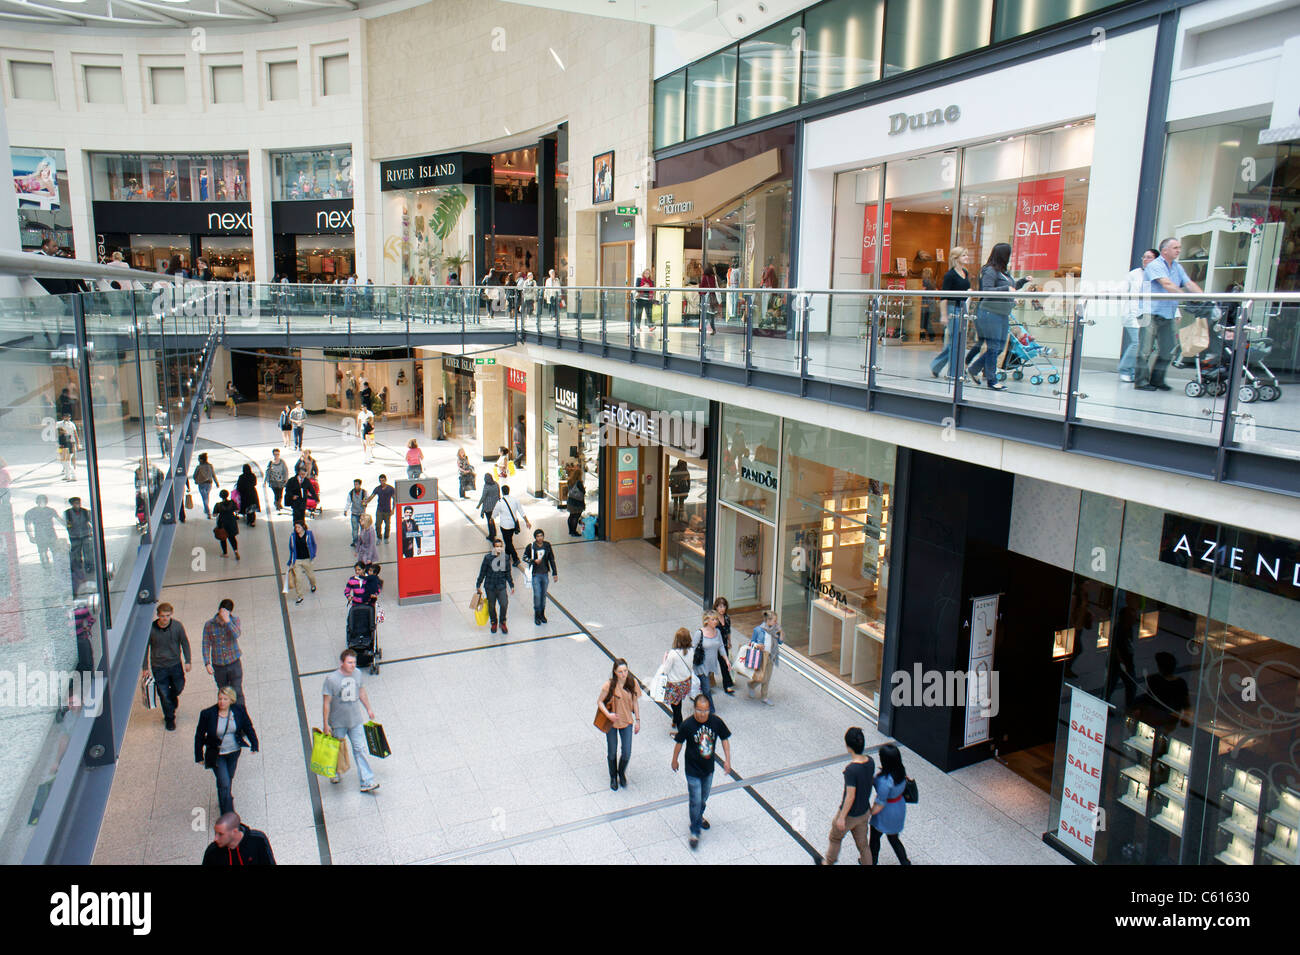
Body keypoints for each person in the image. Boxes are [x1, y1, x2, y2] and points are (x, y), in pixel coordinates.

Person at [1135, 237, 1202, 392]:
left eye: (1179, 247)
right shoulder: (1155, 265)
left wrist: (1204, 297)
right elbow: (1166, 284)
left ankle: (1157, 380)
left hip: (1167, 313)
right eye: (1175, 248)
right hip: (1149, 312)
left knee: (1168, 349)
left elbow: (1189, 283)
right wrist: (1187, 296)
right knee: (1145, 349)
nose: (1178, 250)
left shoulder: (1177, 267)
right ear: (1164, 250)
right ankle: (1141, 382)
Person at [671, 694, 732, 850]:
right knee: (695, 800)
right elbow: (679, 742)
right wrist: (674, 759)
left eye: (705, 711)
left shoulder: (716, 722)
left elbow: (725, 739)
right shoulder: (687, 725)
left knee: (703, 798)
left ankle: (698, 816)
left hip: (708, 769)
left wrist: (727, 760)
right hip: (692, 770)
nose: (702, 714)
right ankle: (695, 831)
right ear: (694, 709)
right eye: (699, 710)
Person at [971, 242, 1034, 391]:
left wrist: (1023, 281)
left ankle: (974, 368)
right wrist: (1007, 288)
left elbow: (1011, 287)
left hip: (1002, 313)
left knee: (999, 348)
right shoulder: (990, 271)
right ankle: (992, 380)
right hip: (989, 312)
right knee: (994, 347)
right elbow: (986, 290)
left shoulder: (1003, 272)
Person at [322, 648, 380, 793]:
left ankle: (367, 781)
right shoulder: (331, 679)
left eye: (354, 662)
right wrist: (325, 724)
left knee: (360, 749)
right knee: (337, 750)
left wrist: (368, 708)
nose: (353, 665)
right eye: (349, 662)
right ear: (342, 662)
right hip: (338, 723)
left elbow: (361, 691)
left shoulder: (358, 674)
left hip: (355, 721)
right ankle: (334, 771)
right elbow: (326, 703)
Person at [194, 686, 259, 816]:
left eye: (225, 699)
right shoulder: (207, 714)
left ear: (231, 700)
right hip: (217, 754)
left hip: (234, 752)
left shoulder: (239, 710)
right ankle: (228, 815)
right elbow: (199, 735)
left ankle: (224, 800)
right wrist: (199, 755)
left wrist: (254, 743)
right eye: (220, 699)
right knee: (224, 782)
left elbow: (248, 726)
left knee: (228, 779)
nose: (222, 702)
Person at [823, 727, 877, 865]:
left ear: (848, 747)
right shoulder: (870, 762)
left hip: (850, 815)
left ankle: (828, 862)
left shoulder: (851, 770)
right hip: (864, 812)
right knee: (863, 846)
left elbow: (850, 796)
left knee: (835, 838)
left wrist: (842, 817)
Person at [141, 602, 191, 731]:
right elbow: (144, 648)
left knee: (178, 687)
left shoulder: (177, 626)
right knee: (164, 694)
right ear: (158, 615)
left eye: (168, 616)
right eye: (162, 616)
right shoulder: (150, 629)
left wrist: (188, 660)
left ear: (171, 615)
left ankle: (172, 698)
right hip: (158, 666)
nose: (165, 619)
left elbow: (184, 642)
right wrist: (145, 667)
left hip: (175, 664)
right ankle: (169, 718)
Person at [597, 658, 641, 791]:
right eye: (620, 671)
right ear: (615, 672)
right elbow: (599, 702)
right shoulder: (608, 685)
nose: (624, 674)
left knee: (627, 752)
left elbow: (635, 702)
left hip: (626, 721)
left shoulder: (632, 683)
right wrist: (608, 714)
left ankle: (621, 772)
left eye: (625, 671)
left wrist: (638, 720)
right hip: (612, 722)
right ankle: (613, 777)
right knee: (612, 752)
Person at [931, 247, 974, 378]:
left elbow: (966, 289)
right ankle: (954, 373)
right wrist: (944, 315)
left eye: (966, 255)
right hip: (952, 309)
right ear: (956, 258)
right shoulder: (950, 275)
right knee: (956, 341)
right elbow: (944, 297)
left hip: (962, 308)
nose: (967, 257)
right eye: (964, 255)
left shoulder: (965, 272)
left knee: (957, 341)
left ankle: (936, 365)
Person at [1119, 249, 1160, 382]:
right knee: (1137, 342)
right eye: (1144, 257)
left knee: (1146, 345)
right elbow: (1121, 289)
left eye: (1149, 257)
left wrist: (1176, 312)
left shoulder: (1160, 276)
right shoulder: (1134, 274)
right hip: (1133, 314)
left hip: (1150, 316)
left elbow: (1166, 295)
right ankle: (1125, 370)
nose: (1145, 260)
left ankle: (1134, 372)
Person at [869, 743, 911, 865]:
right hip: (899, 806)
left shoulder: (885, 781)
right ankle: (905, 862)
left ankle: (872, 861)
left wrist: (868, 813)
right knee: (893, 838)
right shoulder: (901, 771)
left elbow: (880, 804)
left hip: (886, 812)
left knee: (875, 838)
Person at [202, 598, 244, 702]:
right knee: (224, 693)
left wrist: (228, 621)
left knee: (237, 691)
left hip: (234, 663)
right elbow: (206, 644)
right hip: (219, 665)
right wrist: (207, 663)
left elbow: (237, 634)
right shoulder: (209, 625)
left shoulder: (234, 620)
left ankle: (240, 714)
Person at [474, 538, 515, 634]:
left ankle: (502, 622)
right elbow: (482, 571)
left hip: (501, 586)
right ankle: (494, 622)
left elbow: (508, 572)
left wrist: (511, 584)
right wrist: (478, 584)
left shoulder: (506, 558)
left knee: (504, 604)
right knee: (491, 606)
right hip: (490, 586)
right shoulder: (488, 558)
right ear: (493, 547)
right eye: (497, 547)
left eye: (500, 546)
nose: (499, 548)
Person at [203, 812, 275, 865]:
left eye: (220, 834)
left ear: (234, 832)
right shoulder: (212, 851)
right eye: (215, 833)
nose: (215, 839)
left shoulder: (258, 840)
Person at [661, 629, 696, 734]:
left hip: (674, 684)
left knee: (676, 706)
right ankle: (675, 720)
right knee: (679, 702)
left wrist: (664, 660)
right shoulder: (691, 651)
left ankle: (680, 725)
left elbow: (665, 670)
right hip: (685, 682)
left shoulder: (673, 654)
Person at [691, 611, 726, 710]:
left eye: (716, 619)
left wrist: (727, 661)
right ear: (707, 621)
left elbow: (721, 646)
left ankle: (698, 701)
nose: (716, 621)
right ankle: (711, 710)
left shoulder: (717, 632)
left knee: (705, 686)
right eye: (713, 619)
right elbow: (692, 648)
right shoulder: (699, 633)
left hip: (711, 665)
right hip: (701, 665)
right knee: (706, 689)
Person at [521, 528, 557, 625]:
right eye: (538, 536)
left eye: (541, 536)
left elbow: (551, 559)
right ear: (535, 537)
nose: (540, 538)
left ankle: (542, 614)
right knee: (537, 595)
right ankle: (537, 615)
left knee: (543, 595)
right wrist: (533, 561)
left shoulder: (547, 545)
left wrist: (555, 573)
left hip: (545, 573)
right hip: (535, 574)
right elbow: (524, 557)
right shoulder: (531, 547)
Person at [492, 483, 530, 567]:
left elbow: (495, 512)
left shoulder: (500, 502)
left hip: (504, 526)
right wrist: (527, 521)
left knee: (508, 542)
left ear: (502, 492)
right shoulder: (515, 500)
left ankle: (516, 558)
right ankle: (507, 555)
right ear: (509, 491)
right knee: (509, 540)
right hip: (513, 525)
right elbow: (521, 511)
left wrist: (492, 519)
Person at [748, 610, 782, 705]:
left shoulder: (775, 630)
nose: (776, 623)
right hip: (761, 656)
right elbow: (751, 642)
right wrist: (757, 645)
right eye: (774, 621)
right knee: (763, 677)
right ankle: (751, 685)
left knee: (768, 678)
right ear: (768, 620)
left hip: (771, 656)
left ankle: (764, 696)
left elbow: (780, 642)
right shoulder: (758, 630)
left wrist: (781, 633)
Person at [63, 497, 94, 596]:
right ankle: (79, 567)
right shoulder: (67, 513)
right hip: (74, 535)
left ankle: (89, 565)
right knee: (76, 553)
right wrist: (69, 528)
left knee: (88, 551)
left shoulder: (85, 512)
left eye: (78, 503)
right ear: (72, 504)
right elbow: (66, 523)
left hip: (85, 534)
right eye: (75, 503)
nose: (77, 505)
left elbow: (91, 520)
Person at [285, 520, 319, 605]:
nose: (297, 529)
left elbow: (314, 544)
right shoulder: (293, 536)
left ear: (303, 527)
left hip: (307, 559)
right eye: (296, 527)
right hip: (297, 560)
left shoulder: (309, 534)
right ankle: (300, 595)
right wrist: (290, 560)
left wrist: (313, 554)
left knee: (310, 575)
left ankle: (313, 584)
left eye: (299, 527)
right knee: (298, 579)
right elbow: (291, 549)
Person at [24, 494, 59, 568]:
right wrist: (30, 536)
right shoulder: (31, 512)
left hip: (51, 535)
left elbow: (60, 520)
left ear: (46, 502)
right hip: (40, 536)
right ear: (37, 502)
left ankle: (57, 569)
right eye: (40, 501)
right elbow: (28, 525)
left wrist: (69, 526)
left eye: (43, 501)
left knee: (56, 553)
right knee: (43, 554)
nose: (42, 503)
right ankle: (47, 571)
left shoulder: (51, 510)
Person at [712, 596, 737, 696]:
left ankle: (727, 685)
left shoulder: (726, 618)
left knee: (725, 664)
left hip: (723, 645)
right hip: (714, 645)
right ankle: (707, 683)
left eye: (724, 606)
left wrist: (729, 641)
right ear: (716, 607)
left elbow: (728, 631)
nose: (722, 608)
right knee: (710, 665)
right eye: (720, 606)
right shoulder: (713, 619)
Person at [212, 489, 241, 560]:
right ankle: (236, 551)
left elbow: (214, 515)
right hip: (231, 521)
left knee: (223, 538)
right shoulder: (232, 502)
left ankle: (225, 553)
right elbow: (237, 510)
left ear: (220, 496)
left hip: (222, 522)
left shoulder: (218, 505)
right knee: (232, 537)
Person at [367, 474, 395, 542]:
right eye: (380, 481)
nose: (382, 482)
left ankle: (386, 538)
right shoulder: (377, 488)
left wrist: (393, 509)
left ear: (386, 480)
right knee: (378, 525)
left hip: (387, 510)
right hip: (379, 510)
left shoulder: (391, 489)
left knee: (387, 525)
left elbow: (394, 499)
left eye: (383, 480)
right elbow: (371, 497)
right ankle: (379, 537)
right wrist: (365, 501)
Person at [192, 452, 219, 519]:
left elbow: (194, 476)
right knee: (206, 496)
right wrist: (216, 482)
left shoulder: (199, 467)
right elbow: (213, 475)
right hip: (209, 484)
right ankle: (206, 508)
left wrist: (196, 479)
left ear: (201, 460)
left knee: (204, 498)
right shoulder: (210, 466)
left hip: (201, 484)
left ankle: (208, 512)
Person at [477, 472, 500, 542]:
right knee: (492, 519)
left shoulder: (486, 486)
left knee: (489, 520)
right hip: (495, 505)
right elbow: (499, 494)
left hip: (488, 507)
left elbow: (483, 497)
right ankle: (494, 532)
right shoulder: (496, 484)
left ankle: (491, 535)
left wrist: (479, 505)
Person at [345, 478, 368, 548]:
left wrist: (364, 503)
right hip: (354, 513)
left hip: (362, 514)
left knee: (363, 529)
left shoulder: (364, 492)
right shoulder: (351, 493)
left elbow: (366, 500)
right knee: (355, 529)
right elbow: (348, 502)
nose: (355, 486)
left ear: (360, 485)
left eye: (357, 484)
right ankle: (355, 541)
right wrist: (346, 510)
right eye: (355, 484)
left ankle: (363, 541)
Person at [265, 448, 288, 513]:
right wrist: (267, 480)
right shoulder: (271, 462)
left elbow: (285, 470)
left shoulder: (282, 462)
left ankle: (278, 503)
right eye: (275, 454)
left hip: (281, 481)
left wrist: (286, 478)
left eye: (277, 454)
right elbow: (268, 471)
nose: (276, 455)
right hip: (273, 481)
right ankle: (277, 504)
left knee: (280, 494)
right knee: (276, 494)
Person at [56, 413, 77, 481]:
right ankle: (67, 476)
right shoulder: (67, 436)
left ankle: (73, 476)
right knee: (66, 464)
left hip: (66, 451)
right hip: (67, 451)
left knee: (67, 464)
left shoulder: (62, 437)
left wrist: (59, 452)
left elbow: (61, 445)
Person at [699, 265, 719, 335]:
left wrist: (700, 292)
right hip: (712, 297)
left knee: (704, 314)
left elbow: (702, 286)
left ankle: (703, 328)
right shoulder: (713, 277)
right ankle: (713, 329)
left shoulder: (704, 277)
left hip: (706, 297)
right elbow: (715, 287)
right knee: (711, 315)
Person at [919, 267, 937, 342]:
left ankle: (925, 335)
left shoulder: (924, 282)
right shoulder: (932, 282)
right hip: (932, 302)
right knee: (928, 320)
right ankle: (931, 335)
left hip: (925, 303)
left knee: (923, 320)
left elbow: (922, 292)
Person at [634, 268, 655, 332]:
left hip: (648, 299)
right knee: (639, 313)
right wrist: (643, 286)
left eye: (648, 273)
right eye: (646, 273)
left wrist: (651, 294)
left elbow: (653, 290)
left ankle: (650, 327)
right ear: (643, 273)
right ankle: (638, 327)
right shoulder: (639, 279)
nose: (647, 274)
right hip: (640, 299)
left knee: (649, 314)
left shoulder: (651, 282)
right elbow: (636, 288)